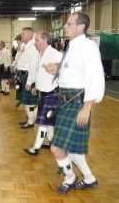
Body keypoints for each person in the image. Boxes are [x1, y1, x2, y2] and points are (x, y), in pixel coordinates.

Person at [45, 12, 105, 194]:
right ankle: (89, 178)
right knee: (71, 148)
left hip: (76, 103)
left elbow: (96, 77)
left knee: (56, 147)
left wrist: (87, 108)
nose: (65, 26)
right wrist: (57, 68)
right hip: (66, 102)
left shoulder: (88, 46)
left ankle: (70, 177)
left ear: (81, 27)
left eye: (69, 23)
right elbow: (73, 69)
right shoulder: (72, 46)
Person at [23, 31, 63, 156]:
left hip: (53, 93)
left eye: (37, 40)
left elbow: (59, 70)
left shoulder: (55, 54)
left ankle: (36, 147)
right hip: (44, 92)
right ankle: (51, 142)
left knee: (43, 122)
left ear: (45, 40)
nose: (35, 43)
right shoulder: (41, 54)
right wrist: (37, 87)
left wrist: (53, 68)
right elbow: (40, 73)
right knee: (48, 122)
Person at [16, 27, 39, 128]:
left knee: (30, 101)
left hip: (29, 76)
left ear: (30, 35)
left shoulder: (33, 47)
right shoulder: (25, 46)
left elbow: (33, 65)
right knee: (26, 101)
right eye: (21, 34)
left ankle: (31, 121)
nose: (21, 36)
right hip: (23, 75)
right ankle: (30, 119)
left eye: (23, 34)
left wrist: (29, 81)